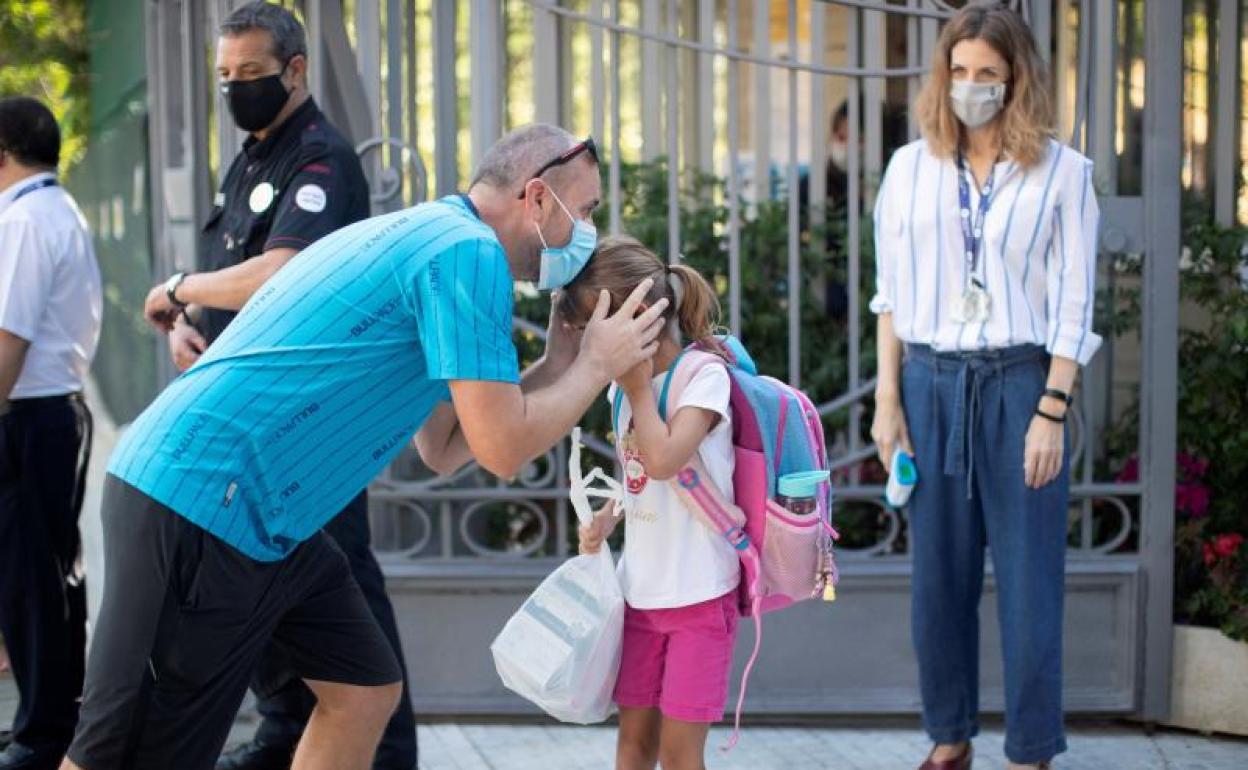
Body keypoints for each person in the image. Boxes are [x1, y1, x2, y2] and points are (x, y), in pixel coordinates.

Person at [59, 123, 666, 770]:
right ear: (538, 198)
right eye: (589, 209)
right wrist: (595, 367)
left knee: (363, 689)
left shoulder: (437, 235)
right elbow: (503, 449)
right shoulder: (467, 254)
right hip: (203, 499)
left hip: (265, 520)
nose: (589, 230)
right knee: (120, 753)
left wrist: (559, 362)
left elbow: (447, 444)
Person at [136, 5, 416, 768]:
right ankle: (286, 734)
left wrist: (181, 283)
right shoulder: (254, 156)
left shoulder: (319, 157)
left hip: (307, 427)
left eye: (252, 76)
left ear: (295, 70)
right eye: (225, 78)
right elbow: (240, 282)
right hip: (249, 422)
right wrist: (188, 320)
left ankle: (385, 756)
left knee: (342, 581)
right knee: (267, 580)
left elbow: (282, 269)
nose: (236, 91)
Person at [868, 3, 1100, 769]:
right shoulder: (909, 169)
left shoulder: (1065, 175)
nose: (971, 88)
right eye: (960, 72)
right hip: (932, 383)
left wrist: (1051, 409)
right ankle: (950, 737)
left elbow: (1073, 298)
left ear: (1017, 80)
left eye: (988, 75)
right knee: (939, 583)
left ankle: (1031, 748)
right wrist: (887, 402)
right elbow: (892, 295)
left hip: (1019, 383)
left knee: (1031, 584)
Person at [566, 237, 741, 770]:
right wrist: (606, 519)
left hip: (699, 597)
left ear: (637, 318)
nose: (583, 346)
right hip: (640, 596)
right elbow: (641, 474)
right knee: (632, 748)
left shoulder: (703, 378)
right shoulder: (622, 391)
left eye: (588, 331)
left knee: (679, 755)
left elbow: (665, 460)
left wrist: (640, 389)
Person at [0, 96, 102, 770]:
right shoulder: (54, 208)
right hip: (50, 412)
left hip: (27, 416)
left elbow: (8, 334)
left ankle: (42, 735)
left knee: (30, 580)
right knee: (51, 576)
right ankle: (51, 723)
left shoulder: (25, 220)